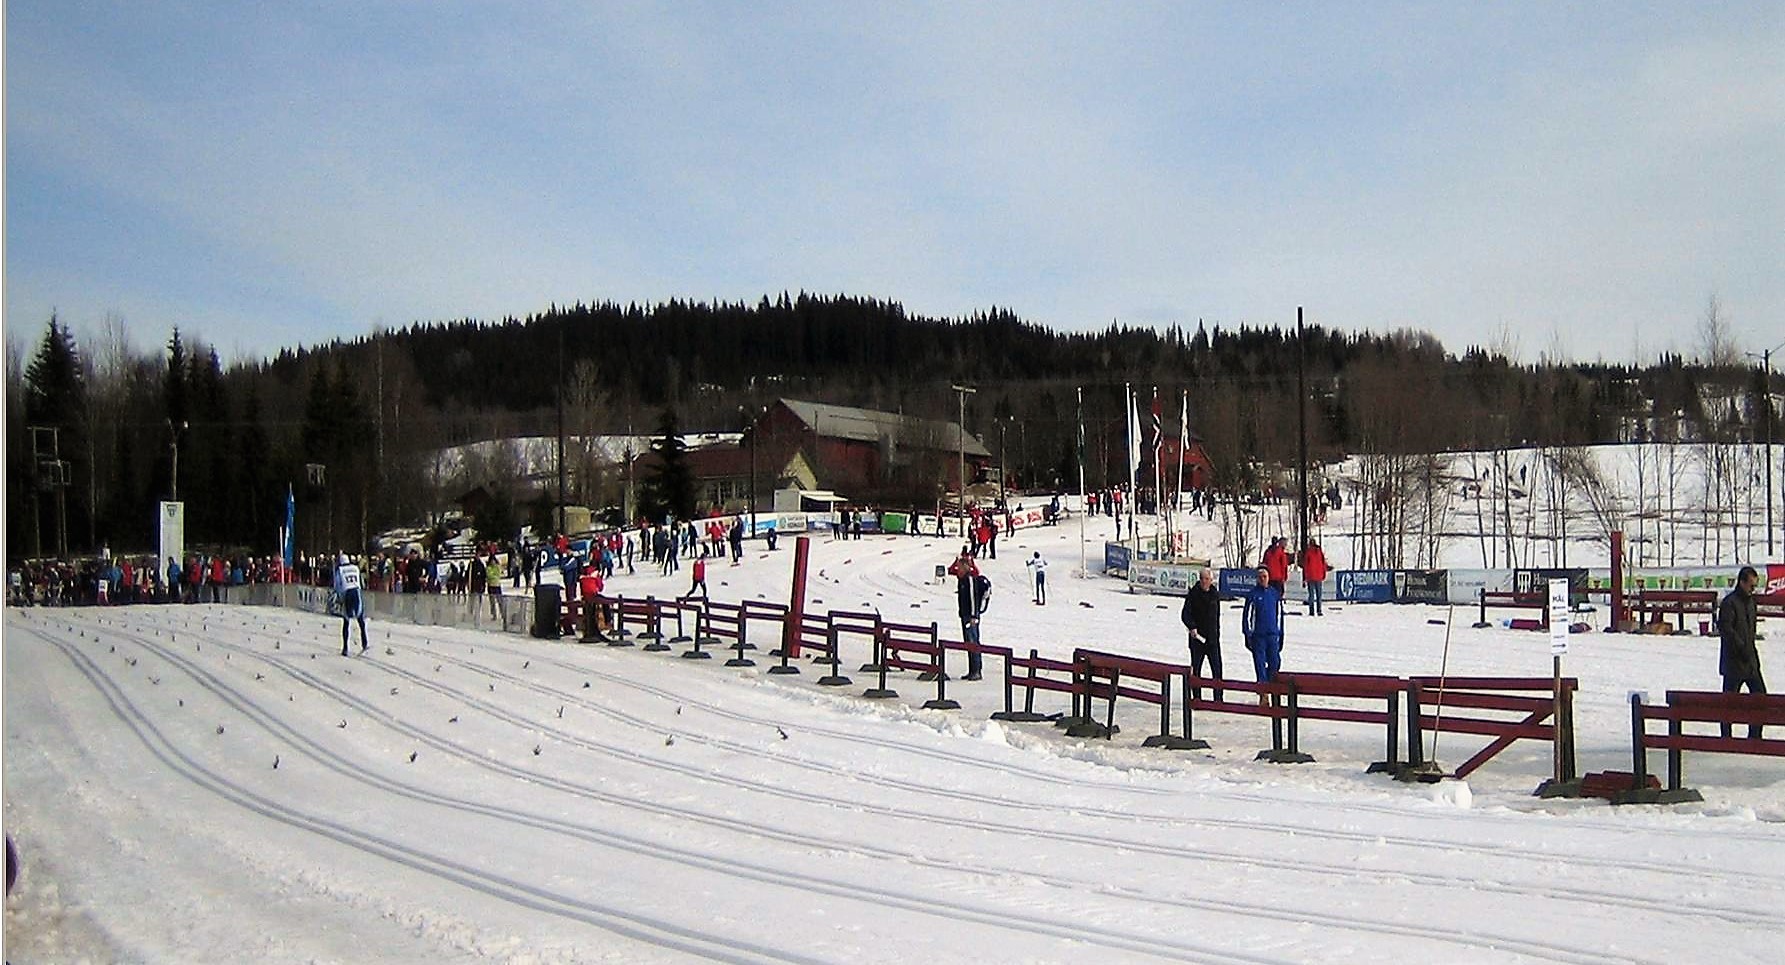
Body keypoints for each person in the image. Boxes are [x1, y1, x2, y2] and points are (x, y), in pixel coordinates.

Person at [1718, 565, 1765, 739]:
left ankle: (1755, 737)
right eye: (1751, 585)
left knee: (1760, 698)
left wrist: (1751, 653)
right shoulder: (1729, 603)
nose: (1753, 589)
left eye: (1755, 586)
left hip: (1750, 662)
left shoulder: (1751, 603)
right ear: (1742, 582)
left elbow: (1750, 631)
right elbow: (1726, 629)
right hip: (1733, 663)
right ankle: (1726, 738)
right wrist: (1741, 647)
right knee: (1728, 703)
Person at [1182, 568, 1224, 700]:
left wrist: (1216, 634)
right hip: (1197, 639)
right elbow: (1185, 614)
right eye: (1202, 579)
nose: (1204, 582)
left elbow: (1216, 618)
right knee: (1196, 670)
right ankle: (1196, 698)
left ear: (1211, 580)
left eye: (1207, 579)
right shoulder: (1193, 594)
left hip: (1212, 639)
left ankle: (1218, 699)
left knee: (1217, 670)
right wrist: (1192, 627)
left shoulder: (1214, 594)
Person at [1242, 566, 1284, 698]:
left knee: (1275, 662)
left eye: (1265, 577)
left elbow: (1279, 616)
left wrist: (1281, 634)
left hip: (1272, 635)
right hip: (1258, 636)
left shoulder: (1274, 594)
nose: (1262, 579)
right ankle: (1263, 692)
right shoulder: (1252, 595)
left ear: (1269, 578)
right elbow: (1247, 616)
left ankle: (1270, 685)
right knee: (1260, 664)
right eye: (1260, 577)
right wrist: (1248, 634)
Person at [947, 547, 985, 680]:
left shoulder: (969, 579)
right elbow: (950, 570)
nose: (958, 570)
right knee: (968, 643)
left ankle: (977, 670)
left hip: (971, 616)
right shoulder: (962, 579)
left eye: (960, 567)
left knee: (973, 642)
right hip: (964, 615)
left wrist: (974, 616)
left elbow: (973, 598)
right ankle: (972, 670)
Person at [332, 552, 369, 656]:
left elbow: (337, 585)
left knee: (346, 621)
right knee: (360, 619)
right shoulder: (355, 568)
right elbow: (361, 582)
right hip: (356, 592)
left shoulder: (339, 570)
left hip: (346, 594)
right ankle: (365, 642)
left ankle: (345, 648)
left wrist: (339, 596)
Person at [1299, 539, 1328, 616]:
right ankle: (1319, 610)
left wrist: (1304, 577)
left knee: (1311, 595)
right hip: (1319, 576)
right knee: (1319, 595)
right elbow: (1323, 564)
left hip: (1310, 576)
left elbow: (1305, 566)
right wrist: (1323, 573)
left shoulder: (1308, 552)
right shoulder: (1319, 552)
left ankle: (1311, 610)